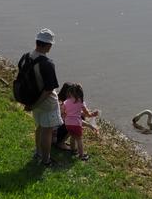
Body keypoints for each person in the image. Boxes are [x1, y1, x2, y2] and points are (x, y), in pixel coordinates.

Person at [24, 28, 62, 167]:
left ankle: (38, 152)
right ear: (48, 45)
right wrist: (35, 104)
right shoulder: (47, 63)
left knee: (39, 126)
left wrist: (31, 103)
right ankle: (46, 160)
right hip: (46, 102)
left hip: (33, 98)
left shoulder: (27, 57)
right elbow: (49, 90)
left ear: (36, 42)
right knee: (48, 131)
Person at [61, 83, 100, 161]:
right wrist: (92, 114)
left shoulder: (66, 102)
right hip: (76, 123)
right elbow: (87, 114)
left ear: (70, 92)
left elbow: (63, 111)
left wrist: (65, 115)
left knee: (72, 136)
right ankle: (81, 155)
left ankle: (73, 150)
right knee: (79, 139)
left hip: (68, 123)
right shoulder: (80, 102)